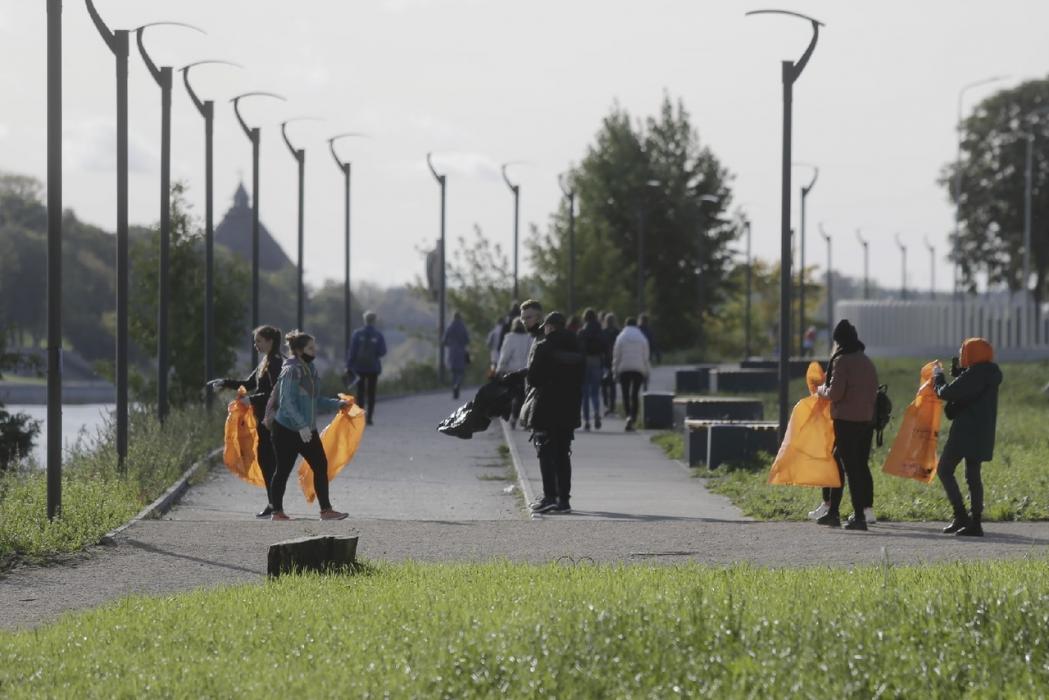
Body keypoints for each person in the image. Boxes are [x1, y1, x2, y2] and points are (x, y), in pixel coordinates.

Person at [264, 330, 350, 521]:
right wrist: (301, 426)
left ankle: (326, 510)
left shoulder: (310, 370)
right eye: (311, 348)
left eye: (314, 347)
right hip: (286, 430)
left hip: (306, 430)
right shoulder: (291, 370)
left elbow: (314, 399)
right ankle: (277, 511)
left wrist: (337, 404)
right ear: (300, 351)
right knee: (283, 469)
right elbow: (287, 402)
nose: (315, 351)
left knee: (320, 465)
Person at [208, 325, 284, 519]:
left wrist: (251, 399)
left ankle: (276, 506)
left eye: (258, 341)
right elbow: (249, 384)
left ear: (270, 341)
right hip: (263, 419)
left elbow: (276, 393)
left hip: (273, 419)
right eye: (255, 341)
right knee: (266, 462)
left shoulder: (276, 362)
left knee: (270, 462)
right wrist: (225, 382)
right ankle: (273, 504)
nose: (255, 345)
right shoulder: (265, 361)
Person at [932, 338, 1002, 537]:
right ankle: (975, 522)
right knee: (973, 475)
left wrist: (938, 376)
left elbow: (946, 392)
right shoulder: (991, 373)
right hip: (983, 431)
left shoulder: (975, 374)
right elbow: (971, 390)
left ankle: (961, 515)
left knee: (944, 469)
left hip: (965, 431)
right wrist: (962, 375)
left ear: (971, 354)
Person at [814, 319, 879, 531]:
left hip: (846, 421)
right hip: (866, 421)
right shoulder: (866, 361)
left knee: (847, 467)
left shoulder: (841, 361)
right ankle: (837, 512)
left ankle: (856, 516)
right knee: (853, 465)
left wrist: (820, 390)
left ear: (839, 341)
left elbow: (835, 393)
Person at [525, 311, 584, 513]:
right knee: (563, 454)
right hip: (569, 408)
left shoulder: (544, 347)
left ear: (549, 327)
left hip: (546, 408)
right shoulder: (577, 348)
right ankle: (564, 500)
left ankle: (549, 496)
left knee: (545, 452)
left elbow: (533, 379)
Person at [346, 310, 387, 426]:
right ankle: (369, 418)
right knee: (371, 393)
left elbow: (352, 352)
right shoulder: (378, 335)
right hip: (373, 367)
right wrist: (374, 354)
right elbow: (383, 351)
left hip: (359, 367)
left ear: (364, 320)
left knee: (360, 392)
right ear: (374, 321)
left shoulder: (357, 334)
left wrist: (349, 365)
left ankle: (360, 417)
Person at [612, 316, 651, 431]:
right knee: (634, 394)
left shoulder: (621, 337)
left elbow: (616, 356)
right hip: (638, 369)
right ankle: (633, 418)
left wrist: (615, 371)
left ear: (625, 324)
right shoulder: (642, 337)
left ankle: (628, 415)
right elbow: (646, 357)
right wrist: (647, 372)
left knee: (625, 393)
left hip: (624, 368)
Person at [496, 317, 533, 428]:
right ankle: (516, 417)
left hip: (511, 371)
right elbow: (531, 355)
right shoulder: (529, 338)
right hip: (524, 371)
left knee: (511, 395)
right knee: (521, 396)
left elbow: (505, 355)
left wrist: (500, 369)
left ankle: (511, 415)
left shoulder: (509, 338)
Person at [577, 308, 607, 431]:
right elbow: (606, 348)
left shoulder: (582, 332)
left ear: (585, 318)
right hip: (597, 361)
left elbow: (577, 349)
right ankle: (596, 412)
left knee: (585, 394)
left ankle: (587, 421)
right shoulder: (600, 332)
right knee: (595, 392)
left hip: (584, 362)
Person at [443, 311, 470, 400]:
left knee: (453, 371)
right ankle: (457, 384)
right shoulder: (463, 327)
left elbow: (444, 340)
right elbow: (467, 340)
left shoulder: (450, 327)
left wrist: (449, 344)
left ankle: (454, 386)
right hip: (461, 352)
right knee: (460, 371)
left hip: (452, 352)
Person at [601, 312, 621, 416]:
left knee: (604, 384)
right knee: (612, 385)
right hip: (614, 360)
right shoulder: (618, 332)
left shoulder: (602, 332)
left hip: (605, 361)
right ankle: (612, 406)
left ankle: (606, 405)